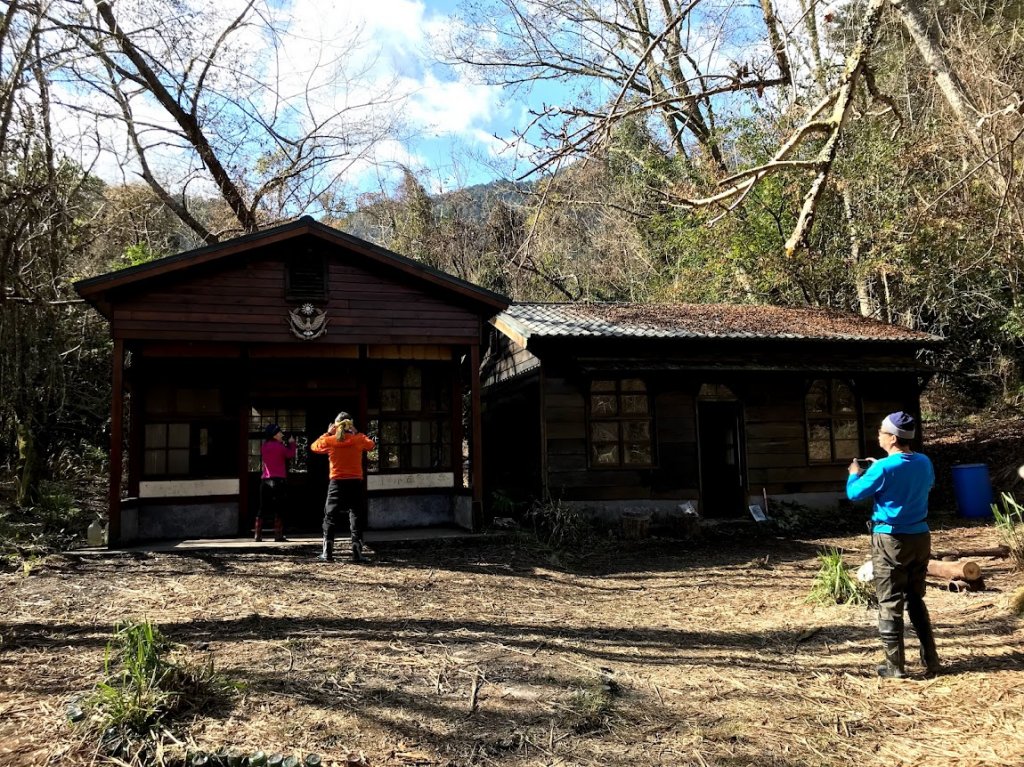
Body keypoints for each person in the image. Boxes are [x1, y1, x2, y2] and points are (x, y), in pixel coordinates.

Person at [846, 411, 940, 678]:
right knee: (915, 598)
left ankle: (895, 666)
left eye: (881, 431)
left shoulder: (883, 468)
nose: (878, 435)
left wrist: (854, 474)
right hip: (920, 536)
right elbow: (925, 484)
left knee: (889, 600)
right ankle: (931, 659)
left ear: (893, 438)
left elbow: (854, 494)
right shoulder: (923, 461)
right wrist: (883, 467)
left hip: (890, 539)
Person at [311, 411, 376, 563]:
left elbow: (314, 447)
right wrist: (357, 432)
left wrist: (328, 433)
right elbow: (371, 445)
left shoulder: (331, 440)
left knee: (330, 516)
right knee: (356, 515)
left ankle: (327, 552)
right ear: (350, 425)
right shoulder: (358, 439)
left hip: (336, 482)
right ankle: (357, 552)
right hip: (355, 482)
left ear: (336, 425)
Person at [258, 423, 297, 542]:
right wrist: (292, 443)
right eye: (279, 432)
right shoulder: (280, 447)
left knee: (262, 507)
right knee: (279, 508)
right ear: (274, 435)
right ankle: (278, 535)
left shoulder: (264, 446)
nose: (282, 434)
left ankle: (257, 535)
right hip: (278, 480)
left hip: (265, 479)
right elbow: (290, 454)